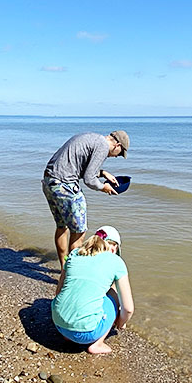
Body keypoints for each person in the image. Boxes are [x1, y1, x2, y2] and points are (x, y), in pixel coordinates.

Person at [42, 130, 129, 268]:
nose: (115, 157)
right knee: (79, 232)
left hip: (49, 182)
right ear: (117, 145)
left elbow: (78, 169)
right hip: (65, 185)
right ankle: (73, 272)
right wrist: (103, 187)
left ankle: (65, 268)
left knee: (62, 227)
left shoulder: (91, 138)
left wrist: (103, 173)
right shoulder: (102, 146)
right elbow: (89, 179)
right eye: (119, 154)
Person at [51, 225, 133, 355]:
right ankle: (97, 344)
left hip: (59, 324)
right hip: (87, 333)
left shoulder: (74, 253)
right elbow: (128, 308)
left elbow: (58, 291)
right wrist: (121, 322)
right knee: (114, 295)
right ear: (114, 248)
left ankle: (69, 334)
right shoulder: (116, 262)